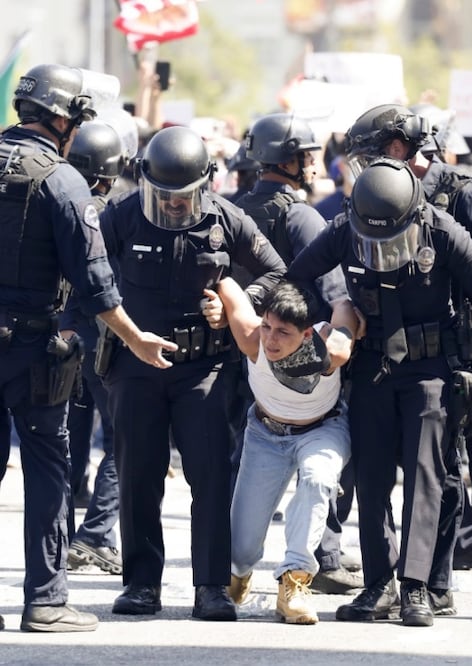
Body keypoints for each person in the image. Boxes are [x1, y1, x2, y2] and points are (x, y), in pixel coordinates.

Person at [286, 156, 472, 627]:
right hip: (372, 365)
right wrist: (334, 313)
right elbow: (296, 275)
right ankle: (379, 584)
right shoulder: (344, 229)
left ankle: (416, 587)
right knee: (371, 476)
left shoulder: (443, 230)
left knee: (424, 475)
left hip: (430, 368)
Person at [0, 63, 177, 633]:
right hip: (33, 350)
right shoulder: (62, 181)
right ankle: (45, 601)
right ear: (63, 120)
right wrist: (135, 338)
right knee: (48, 473)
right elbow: (96, 283)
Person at [345, 103, 472, 622]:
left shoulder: (471, 195)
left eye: (369, 157)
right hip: (432, 359)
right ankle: (435, 583)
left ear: (397, 149)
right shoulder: (383, 199)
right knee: (441, 472)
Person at [99, 125, 287, 621]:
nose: (174, 205)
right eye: (164, 196)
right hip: (136, 364)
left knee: (210, 475)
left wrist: (236, 303)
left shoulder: (228, 219)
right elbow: (87, 273)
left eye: (184, 196)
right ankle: (141, 584)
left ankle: (211, 586)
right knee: (139, 475)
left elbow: (276, 272)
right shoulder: (121, 216)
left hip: (203, 369)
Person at [232, 112, 357, 595]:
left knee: (249, 470)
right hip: (293, 357)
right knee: (316, 470)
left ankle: (236, 566)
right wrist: (336, 335)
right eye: (306, 156)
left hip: (244, 353)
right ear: (289, 161)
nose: (312, 164)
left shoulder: (234, 208)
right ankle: (324, 558)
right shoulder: (302, 216)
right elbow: (333, 292)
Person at [206, 279, 356, 624]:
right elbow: (228, 285)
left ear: (306, 335)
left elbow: (344, 308)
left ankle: (295, 580)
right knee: (240, 549)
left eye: (283, 332)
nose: (270, 339)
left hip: (322, 429)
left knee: (318, 479)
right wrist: (218, 299)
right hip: (265, 434)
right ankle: (238, 575)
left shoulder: (328, 351)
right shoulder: (252, 340)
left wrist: (337, 304)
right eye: (267, 327)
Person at [60, 120, 127, 576]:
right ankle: (97, 534)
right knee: (125, 441)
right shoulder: (114, 214)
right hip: (106, 341)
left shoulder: (57, 200)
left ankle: (64, 535)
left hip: (65, 339)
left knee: (69, 441)